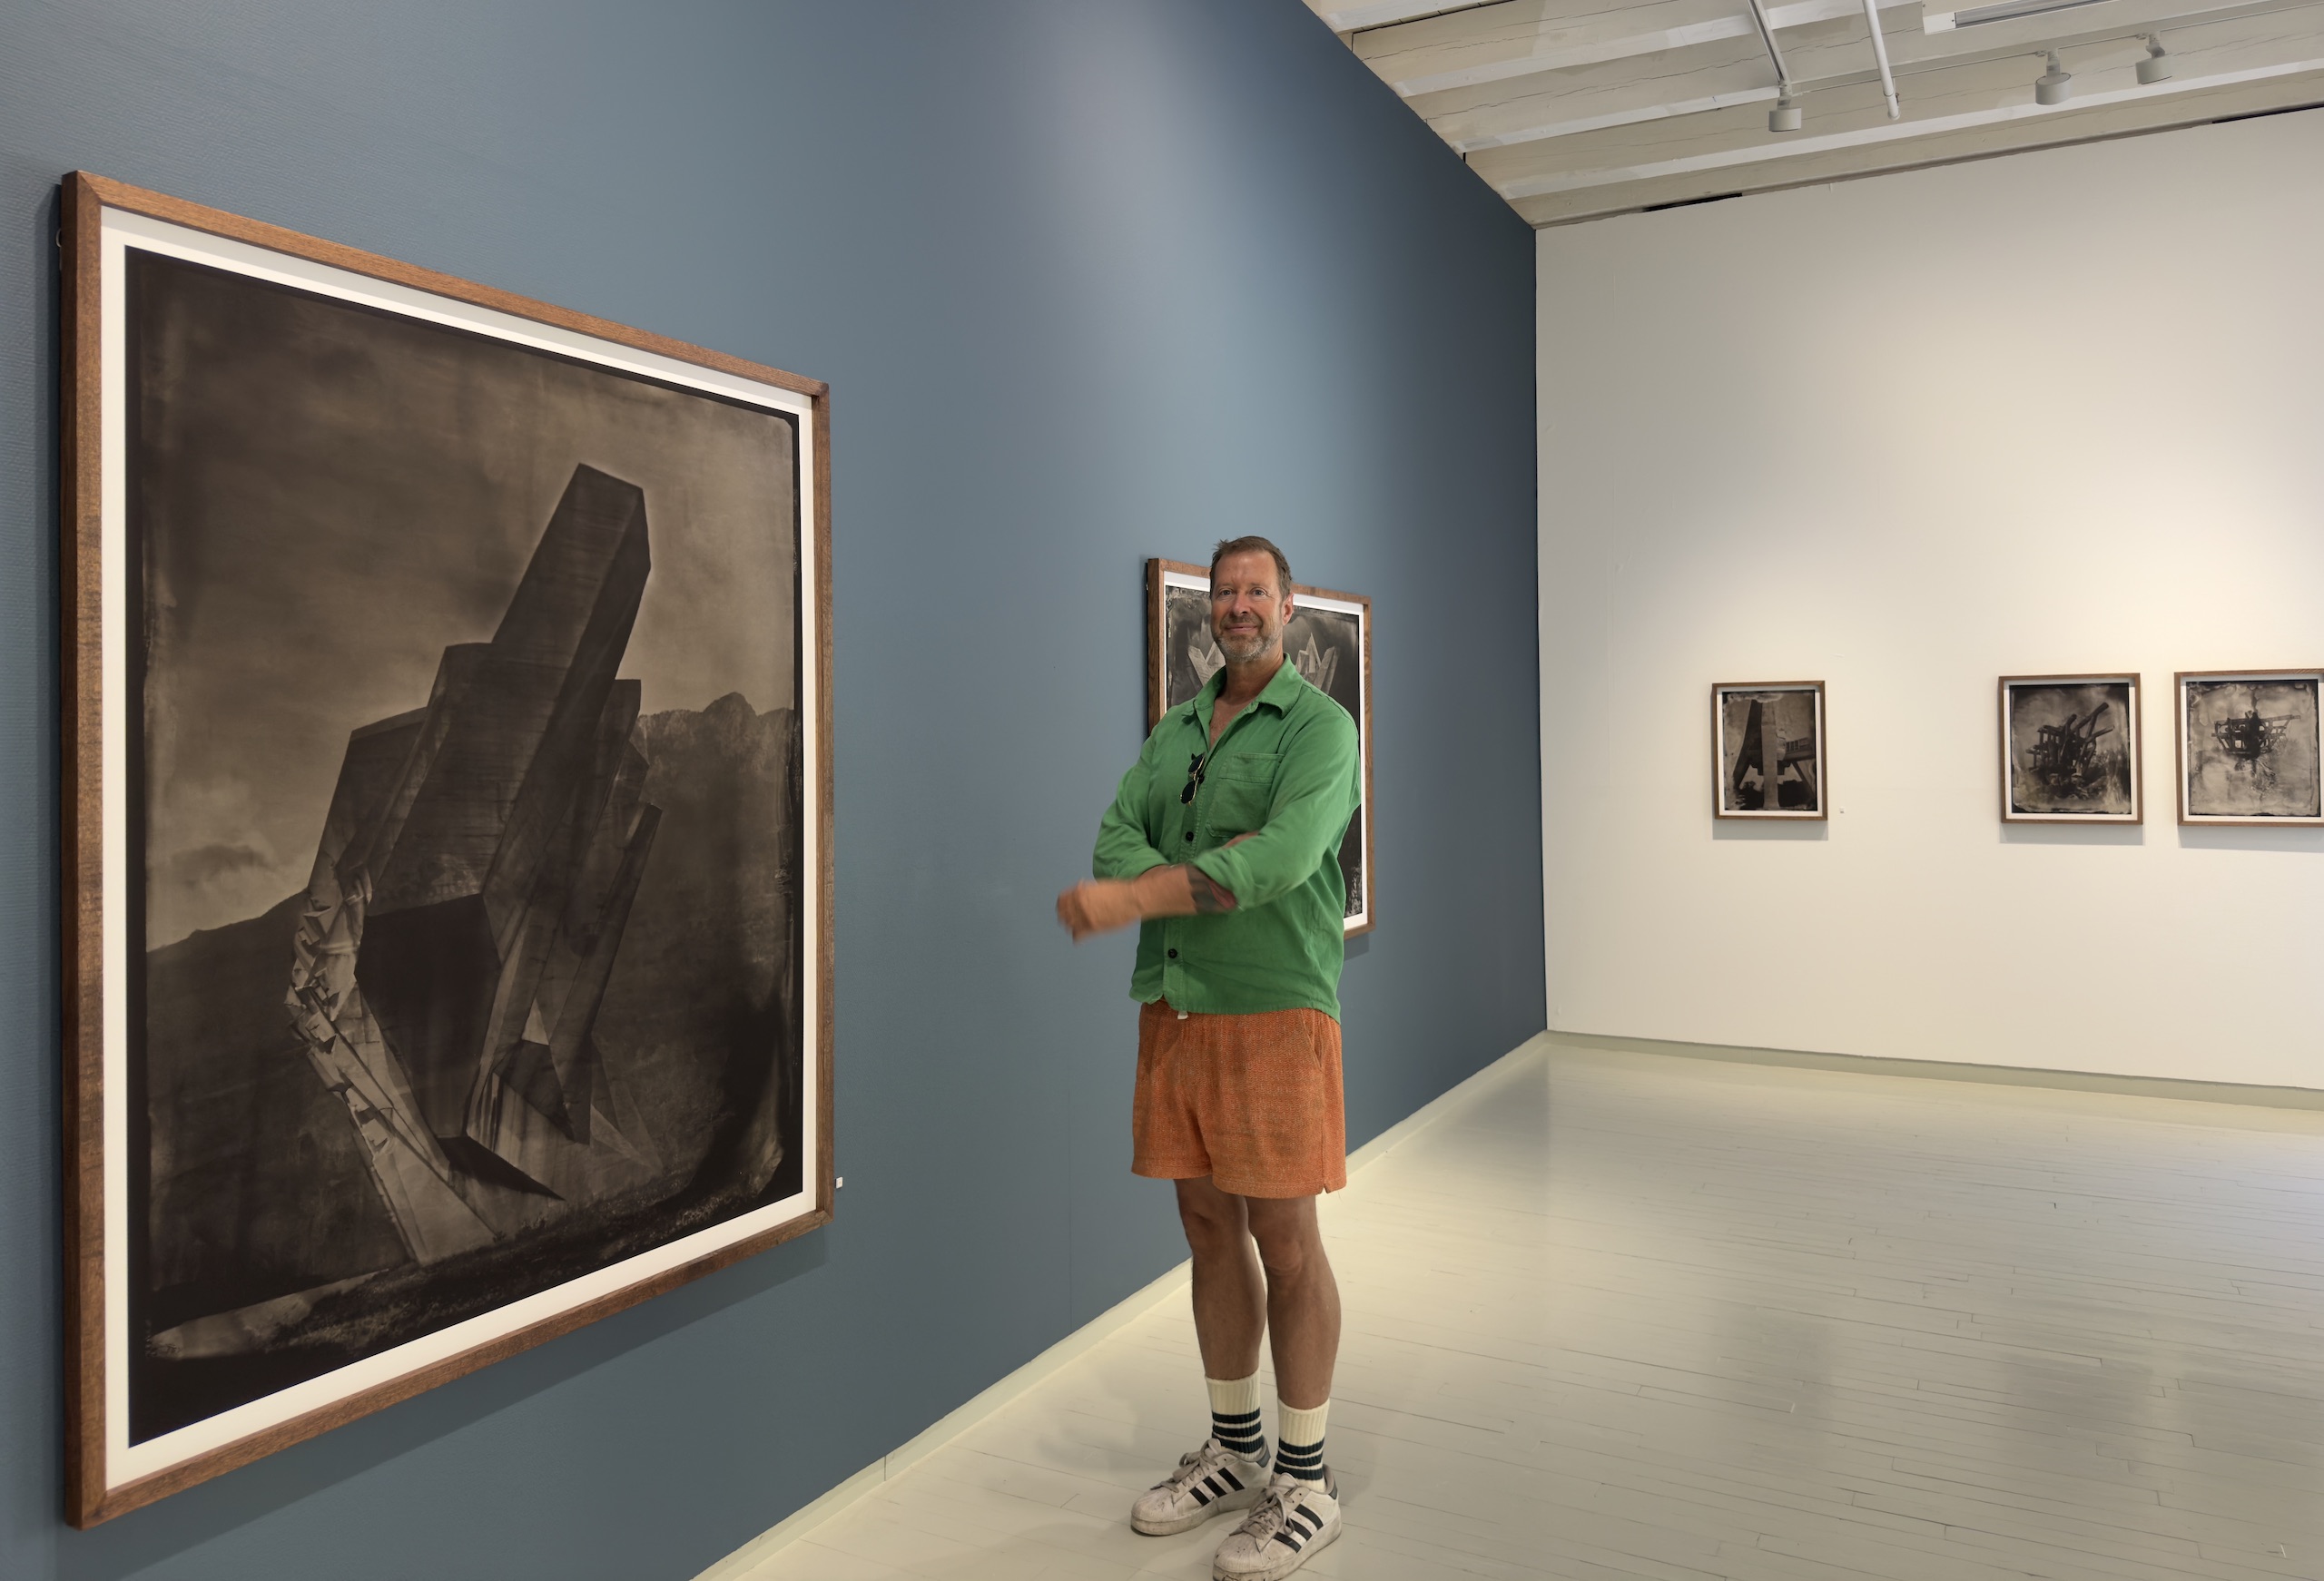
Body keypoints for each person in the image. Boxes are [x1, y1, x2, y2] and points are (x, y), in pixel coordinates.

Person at [1056, 535, 1361, 1581]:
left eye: (1255, 591)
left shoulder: (1320, 728)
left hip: (1273, 1008)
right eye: (1223, 591)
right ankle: (1235, 1452)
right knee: (1205, 1226)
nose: (1237, 606)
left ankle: (1306, 1478)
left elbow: (1280, 858)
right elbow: (1114, 836)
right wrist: (1150, 881)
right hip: (1175, 1004)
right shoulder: (1176, 728)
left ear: (1288, 605)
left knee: (1286, 1239)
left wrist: (1137, 897)